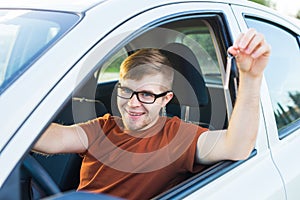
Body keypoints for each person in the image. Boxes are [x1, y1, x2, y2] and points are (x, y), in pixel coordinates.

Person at [33, 28, 271, 199]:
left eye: (146, 95)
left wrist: (251, 78)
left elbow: (236, 146)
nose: (132, 104)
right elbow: (52, 139)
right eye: (126, 90)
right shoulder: (102, 127)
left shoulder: (177, 136)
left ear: (166, 99)